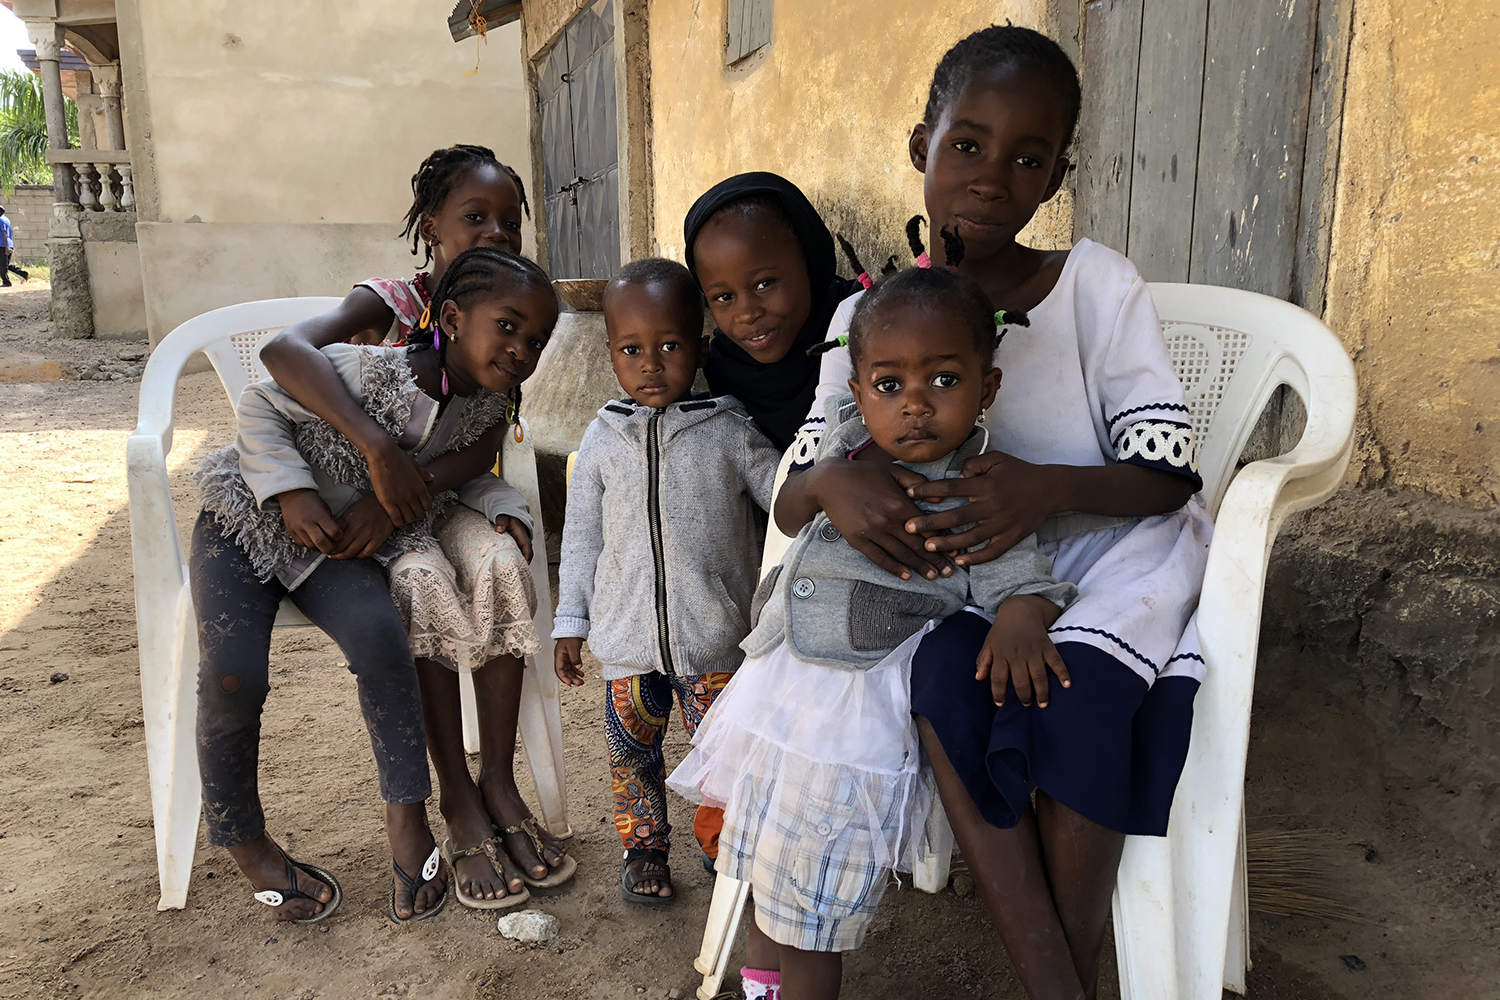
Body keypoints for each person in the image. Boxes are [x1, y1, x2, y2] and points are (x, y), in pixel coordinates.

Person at [777, 26, 1213, 1000]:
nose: (991, 175)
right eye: (967, 143)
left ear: (1057, 173)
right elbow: (793, 489)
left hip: (1110, 553)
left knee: (1077, 693)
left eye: (1027, 156)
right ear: (919, 144)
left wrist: (1045, 486)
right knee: (947, 680)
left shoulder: (1096, 286)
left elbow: (1167, 475)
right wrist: (832, 485)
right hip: (964, 582)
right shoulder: (862, 320)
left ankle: (1073, 976)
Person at [670, 265, 1078, 1000]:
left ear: (986, 389)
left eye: (944, 381)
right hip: (783, 686)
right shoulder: (849, 452)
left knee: (819, 882)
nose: (915, 405)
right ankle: (763, 984)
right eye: (890, 385)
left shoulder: (974, 488)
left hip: (856, 715)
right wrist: (824, 480)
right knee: (771, 852)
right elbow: (790, 512)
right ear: (858, 394)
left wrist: (1021, 614)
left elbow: (1021, 575)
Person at [189, 245, 558, 923]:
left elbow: (452, 468)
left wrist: (503, 505)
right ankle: (249, 846)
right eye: (507, 327)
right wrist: (292, 492)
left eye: (536, 340)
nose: (521, 349)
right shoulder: (372, 369)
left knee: (384, 638)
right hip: (246, 519)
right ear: (448, 317)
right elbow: (263, 402)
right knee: (233, 676)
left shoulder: (481, 406)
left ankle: (409, 820)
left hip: (331, 550)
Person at [258, 145, 575, 909]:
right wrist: (376, 458)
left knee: (504, 563)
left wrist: (463, 496)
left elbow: (480, 447)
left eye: (510, 221)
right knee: (426, 580)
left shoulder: (515, 317)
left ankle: (499, 782)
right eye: (476, 218)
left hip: (438, 494)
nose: (497, 232)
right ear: (431, 226)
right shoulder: (393, 307)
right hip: (374, 507)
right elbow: (283, 355)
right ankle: (457, 797)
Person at [554, 258, 780, 903]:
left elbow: (784, 499)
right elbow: (583, 540)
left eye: (670, 346)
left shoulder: (730, 432)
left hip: (715, 639)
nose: (651, 363)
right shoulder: (600, 439)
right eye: (632, 349)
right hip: (626, 643)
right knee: (632, 756)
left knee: (723, 754)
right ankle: (644, 848)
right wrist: (572, 622)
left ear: (701, 348)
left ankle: (722, 843)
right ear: (610, 355)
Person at [683, 172, 863, 455]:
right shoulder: (724, 367)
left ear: (808, 262)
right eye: (724, 297)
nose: (747, 314)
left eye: (764, 284)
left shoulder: (863, 324)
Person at [0, 206, 29, 286]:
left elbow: (5, 233)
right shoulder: (6, 219)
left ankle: (6, 282)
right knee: (5, 264)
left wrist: (6, 248)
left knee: (3, 265)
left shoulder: (1, 220)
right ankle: (23, 274)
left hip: (3, 245)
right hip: (7, 244)